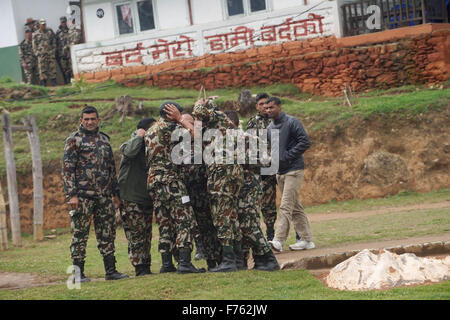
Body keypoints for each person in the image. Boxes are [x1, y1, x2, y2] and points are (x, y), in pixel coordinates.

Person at [62, 106, 128, 281]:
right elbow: (67, 170)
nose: (90, 122)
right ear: (81, 120)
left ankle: (111, 271)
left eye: (93, 119)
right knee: (80, 234)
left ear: (98, 120)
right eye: (86, 119)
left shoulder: (105, 140)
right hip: (83, 196)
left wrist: (115, 194)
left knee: (107, 233)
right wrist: (72, 195)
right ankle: (77, 275)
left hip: (104, 196)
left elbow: (111, 169)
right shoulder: (74, 140)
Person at [145, 102, 205, 274]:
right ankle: (185, 263)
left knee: (165, 222)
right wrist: (181, 119)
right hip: (170, 181)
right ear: (171, 113)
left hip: (154, 181)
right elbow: (197, 135)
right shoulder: (170, 128)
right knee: (184, 219)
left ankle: (166, 264)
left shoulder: (152, 130)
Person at [191, 98, 244, 272]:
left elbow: (200, 113)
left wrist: (199, 103)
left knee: (222, 215)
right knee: (232, 215)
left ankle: (228, 260)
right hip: (232, 172)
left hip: (221, 172)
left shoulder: (218, 116)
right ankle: (237, 259)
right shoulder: (220, 127)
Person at [225, 110, 280, 271]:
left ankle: (268, 259)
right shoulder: (227, 141)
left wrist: (243, 159)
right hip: (236, 190)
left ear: (232, 123)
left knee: (249, 225)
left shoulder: (248, 139)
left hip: (249, 190)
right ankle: (244, 261)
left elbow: (266, 161)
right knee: (241, 227)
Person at [265, 97, 315, 252]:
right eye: (266, 108)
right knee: (295, 207)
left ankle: (278, 241)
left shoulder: (293, 122)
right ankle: (306, 240)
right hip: (280, 172)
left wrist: (286, 156)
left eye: (271, 107)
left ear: (279, 107)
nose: (268, 110)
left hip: (294, 170)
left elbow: (304, 142)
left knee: (285, 206)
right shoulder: (269, 128)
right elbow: (272, 149)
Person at [118, 117, 156, 276]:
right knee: (136, 233)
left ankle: (145, 265)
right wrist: (139, 136)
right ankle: (139, 266)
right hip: (131, 197)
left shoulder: (150, 145)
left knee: (147, 232)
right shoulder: (132, 143)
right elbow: (129, 152)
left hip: (145, 196)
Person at [245, 93, 278, 241]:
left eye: (267, 103)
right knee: (262, 201)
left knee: (282, 202)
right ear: (256, 107)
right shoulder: (253, 122)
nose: (265, 107)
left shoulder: (277, 120)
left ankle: (296, 233)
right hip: (261, 168)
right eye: (261, 104)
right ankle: (264, 233)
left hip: (278, 165)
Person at [32, 18, 58, 86]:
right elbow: (34, 45)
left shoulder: (50, 31)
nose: (44, 25)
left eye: (44, 24)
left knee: (52, 68)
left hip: (50, 53)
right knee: (42, 69)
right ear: (39, 25)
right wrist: (37, 53)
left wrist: (53, 50)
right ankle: (44, 83)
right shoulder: (35, 34)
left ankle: (54, 82)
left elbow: (54, 41)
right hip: (41, 54)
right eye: (42, 24)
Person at [56, 16, 72, 84]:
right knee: (64, 69)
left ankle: (71, 81)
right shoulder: (58, 32)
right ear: (60, 23)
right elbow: (55, 43)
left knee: (70, 69)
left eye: (64, 22)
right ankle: (66, 82)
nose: (63, 23)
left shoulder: (69, 31)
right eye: (62, 22)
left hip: (69, 54)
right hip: (61, 54)